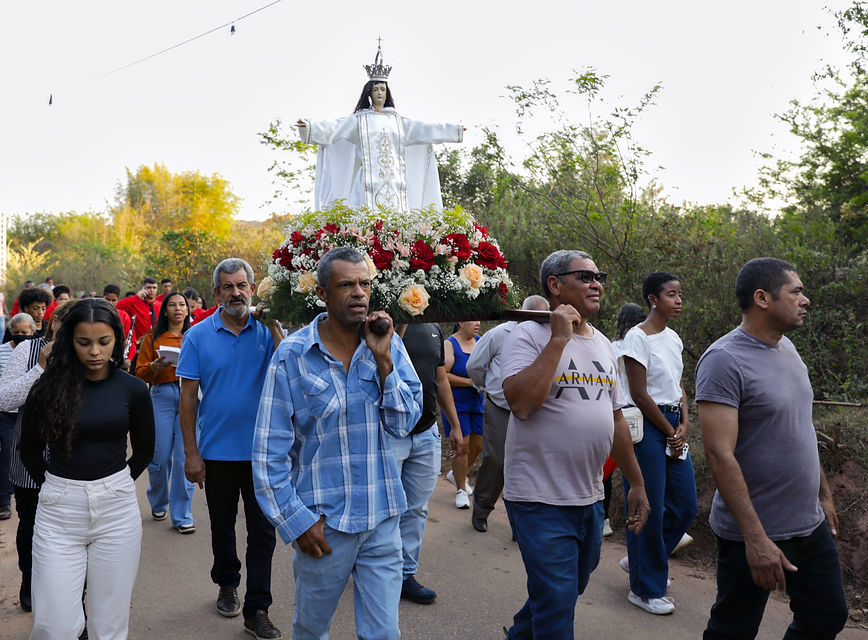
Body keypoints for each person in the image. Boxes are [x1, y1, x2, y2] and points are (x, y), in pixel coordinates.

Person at [253, 246, 421, 639]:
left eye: (364, 283)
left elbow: (405, 424)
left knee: (383, 634)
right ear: (323, 294)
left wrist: (384, 364)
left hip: (382, 517)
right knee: (312, 630)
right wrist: (296, 522)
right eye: (347, 285)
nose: (359, 293)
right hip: (324, 524)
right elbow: (268, 453)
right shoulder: (292, 356)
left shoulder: (389, 344)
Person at [501, 250, 650, 639]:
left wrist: (636, 483)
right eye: (584, 276)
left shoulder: (603, 344)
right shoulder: (527, 335)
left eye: (598, 275)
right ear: (554, 285)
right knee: (556, 606)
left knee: (565, 592)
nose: (596, 283)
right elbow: (521, 404)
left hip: (589, 498)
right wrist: (558, 340)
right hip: (539, 499)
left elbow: (615, 418)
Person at [696, 258, 847, 639]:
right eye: (796, 291)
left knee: (827, 615)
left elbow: (801, 428)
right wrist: (756, 539)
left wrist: (824, 495)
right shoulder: (724, 360)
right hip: (756, 531)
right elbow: (719, 453)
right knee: (733, 630)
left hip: (807, 522)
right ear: (762, 298)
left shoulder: (789, 350)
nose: (805, 299)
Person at [19, 298, 154, 639]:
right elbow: (30, 451)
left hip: (117, 512)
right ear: (69, 342)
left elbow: (144, 450)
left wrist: (117, 484)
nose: (95, 351)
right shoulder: (47, 387)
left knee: (108, 626)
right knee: (54, 626)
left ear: (117, 340)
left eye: (103, 342)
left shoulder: (134, 389)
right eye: (84, 342)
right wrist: (55, 487)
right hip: (58, 513)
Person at [178, 258, 284, 639]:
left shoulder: (268, 330)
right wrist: (191, 454)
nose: (235, 292)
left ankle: (258, 609)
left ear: (252, 288)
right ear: (217, 293)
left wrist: (273, 324)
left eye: (242, 285)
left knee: (263, 532)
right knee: (222, 526)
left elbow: (288, 366)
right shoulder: (198, 336)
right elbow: (187, 399)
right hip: (217, 452)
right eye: (228, 287)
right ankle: (226, 582)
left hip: (263, 453)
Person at [296, 42, 463, 213]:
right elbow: (334, 128)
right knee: (364, 218)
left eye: (382, 89)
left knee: (395, 222)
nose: (379, 93)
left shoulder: (399, 123)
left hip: (395, 186)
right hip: (366, 184)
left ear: (387, 92)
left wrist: (453, 130)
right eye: (376, 89)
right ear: (369, 93)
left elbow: (426, 130)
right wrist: (309, 127)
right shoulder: (359, 121)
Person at [615, 272, 697, 615]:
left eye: (680, 294)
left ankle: (642, 561)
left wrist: (685, 422)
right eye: (671, 295)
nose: (678, 300)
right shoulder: (637, 339)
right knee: (650, 503)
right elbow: (639, 393)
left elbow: (678, 385)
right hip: (649, 427)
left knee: (685, 505)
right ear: (653, 299)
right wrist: (668, 429)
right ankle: (645, 589)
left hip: (673, 423)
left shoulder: (674, 338)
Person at [0, 300, 76, 612]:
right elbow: (6, 399)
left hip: (71, 459)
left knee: (68, 528)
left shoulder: (85, 354)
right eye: (64, 321)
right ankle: (30, 581)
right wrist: (41, 367)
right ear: (53, 322)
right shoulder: (26, 351)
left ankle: (66, 589)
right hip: (28, 456)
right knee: (31, 523)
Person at [392, 321, 465, 604]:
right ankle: (377, 568)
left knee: (417, 508)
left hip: (425, 432)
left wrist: (454, 426)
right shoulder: (386, 320)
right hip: (390, 432)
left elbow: (441, 378)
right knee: (387, 506)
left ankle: (405, 575)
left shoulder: (434, 327)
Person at [465, 295, 550, 533]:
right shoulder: (500, 334)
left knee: (528, 465)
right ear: (522, 315)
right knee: (497, 460)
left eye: (543, 319)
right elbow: (474, 366)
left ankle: (519, 522)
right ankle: (482, 508)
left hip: (535, 410)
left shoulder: (550, 336)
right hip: (500, 407)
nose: (539, 324)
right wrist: (487, 388)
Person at [134, 292, 196, 534]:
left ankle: (182, 515)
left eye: (182, 304)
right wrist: (154, 367)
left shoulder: (195, 336)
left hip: (189, 395)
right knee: (159, 456)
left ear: (188, 309)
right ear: (165, 310)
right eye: (172, 305)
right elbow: (140, 373)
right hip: (160, 395)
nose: (178, 309)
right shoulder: (152, 338)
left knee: (184, 458)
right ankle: (159, 501)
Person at [0, 313, 35, 520]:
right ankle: (4, 500)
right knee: (7, 455)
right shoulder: (2, 352)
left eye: (25, 332)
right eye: (17, 332)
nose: (21, 335)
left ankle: (33, 496)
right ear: (10, 332)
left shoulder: (39, 352)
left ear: (32, 331)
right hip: (8, 415)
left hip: (33, 414)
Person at [604, 302, 648, 538]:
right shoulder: (643, 345)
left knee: (607, 470)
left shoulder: (611, 346)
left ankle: (604, 518)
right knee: (639, 470)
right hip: (638, 415)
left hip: (618, 414)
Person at [441, 321, 484, 509]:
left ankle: (456, 473)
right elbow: (442, 375)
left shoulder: (479, 340)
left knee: (479, 444)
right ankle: (460, 490)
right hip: (456, 403)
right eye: (473, 319)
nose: (478, 323)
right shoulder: (450, 344)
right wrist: (468, 382)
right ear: (461, 322)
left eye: (479, 320)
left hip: (477, 401)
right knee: (462, 445)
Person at [116, 277, 161, 342]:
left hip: (157, 341)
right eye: (149, 287)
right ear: (143, 289)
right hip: (139, 342)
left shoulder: (161, 305)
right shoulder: (135, 303)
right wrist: (136, 297)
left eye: (154, 288)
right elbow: (119, 306)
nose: (152, 290)